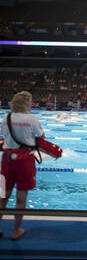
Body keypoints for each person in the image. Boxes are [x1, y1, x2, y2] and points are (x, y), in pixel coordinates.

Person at [0, 92, 48, 240]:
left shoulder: (5, 118)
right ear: (28, 103)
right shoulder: (31, 119)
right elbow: (41, 136)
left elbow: (4, 136)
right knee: (21, 197)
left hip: (7, 159)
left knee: (2, 196)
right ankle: (16, 231)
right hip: (25, 160)